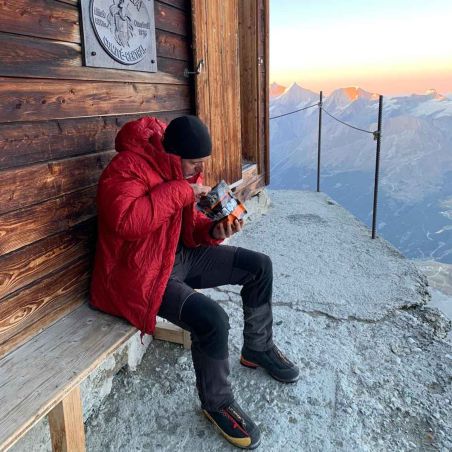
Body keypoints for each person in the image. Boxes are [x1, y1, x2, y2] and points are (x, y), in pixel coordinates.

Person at [90, 115, 299, 449]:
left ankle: (257, 348)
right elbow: (125, 223)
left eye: (200, 164)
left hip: (180, 259)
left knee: (259, 266)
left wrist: (214, 231)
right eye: (192, 163)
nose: (196, 170)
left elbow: (192, 229)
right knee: (213, 320)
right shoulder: (126, 167)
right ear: (173, 155)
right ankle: (217, 403)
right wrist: (180, 191)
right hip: (141, 275)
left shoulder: (184, 172)